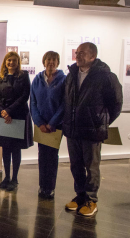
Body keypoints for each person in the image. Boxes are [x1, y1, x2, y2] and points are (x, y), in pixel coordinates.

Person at [63, 42, 122, 216]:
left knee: (92, 167)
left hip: (92, 131)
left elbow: (116, 104)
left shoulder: (105, 76)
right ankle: (80, 196)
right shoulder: (72, 74)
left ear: (92, 56)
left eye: (82, 53)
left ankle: (91, 199)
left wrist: (101, 121)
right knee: (76, 165)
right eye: (77, 52)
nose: (78, 55)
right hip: (73, 129)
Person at [0, 51, 33, 191]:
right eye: (9, 60)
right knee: (6, 148)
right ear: (5, 61)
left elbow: (24, 96)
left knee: (15, 149)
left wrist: (9, 111)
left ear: (18, 62)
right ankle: (6, 177)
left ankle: (15, 178)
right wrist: (3, 112)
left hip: (17, 116)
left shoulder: (24, 76)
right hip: (3, 116)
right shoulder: (0, 76)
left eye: (14, 60)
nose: (11, 63)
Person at [30, 51, 66, 199]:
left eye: (54, 60)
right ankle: (42, 186)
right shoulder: (37, 80)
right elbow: (33, 103)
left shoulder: (64, 80)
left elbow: (65, 104)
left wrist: (52, 123)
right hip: (41, 126)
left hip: (56, 126)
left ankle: (50, 187)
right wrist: (39, 123)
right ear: (43, 61)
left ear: (57, 62)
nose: (51, 62)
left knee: (52, 157)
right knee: (42, 156)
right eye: (48, 59)